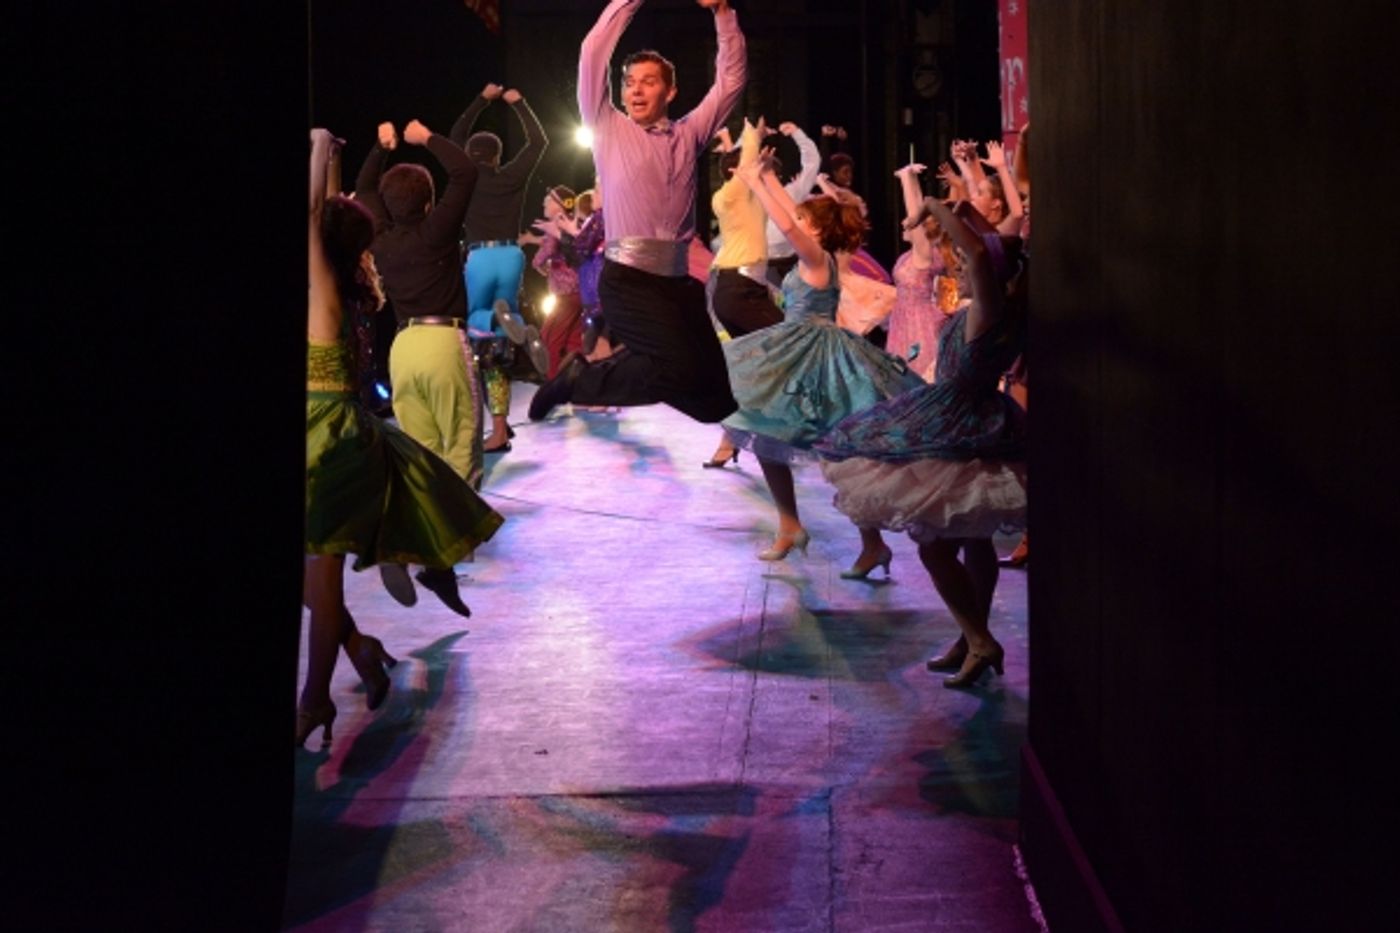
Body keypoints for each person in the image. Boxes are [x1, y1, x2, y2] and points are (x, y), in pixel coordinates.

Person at [303, 129, 504, 748]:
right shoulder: (343, 280)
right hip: (411, 365)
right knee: (456, 453)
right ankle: (372, 636)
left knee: (325, 579)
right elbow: (334, 215)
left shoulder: (343, 277)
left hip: (354, 410)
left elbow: (328, 213)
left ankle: (317, 696)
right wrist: (332, 154)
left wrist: (333, 152)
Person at [814, 198, 1028, 689]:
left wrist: (932, 204)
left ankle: (978, 638)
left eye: (966, 262)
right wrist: (970, 210)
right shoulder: (1008, 307)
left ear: (988, 273)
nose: (958, 265)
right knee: (974, 538)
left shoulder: (990, 309)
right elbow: (991, 246)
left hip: (959, 418)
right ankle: (970, 636)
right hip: (979, 419)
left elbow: (979, 253)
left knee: (935, 550)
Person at [527, 0, 746, 424]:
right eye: (630, 83)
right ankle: (579, 380)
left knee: (716, 402)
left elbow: (732, 81)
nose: (636, 90)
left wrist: (722, 13)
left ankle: (635, 369)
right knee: (678, 369)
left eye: (648, 82)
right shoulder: (608, 128)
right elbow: (592, 53)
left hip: (678, 285)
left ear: (671, 91)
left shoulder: (690, 134)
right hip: (628, 282)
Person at [722, 152, 922, 561]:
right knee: (767, 434)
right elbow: (792, 215)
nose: (797, 223)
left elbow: (787, 223)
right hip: (801, 349)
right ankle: (793, 526)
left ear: (814, 230)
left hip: (815, 357)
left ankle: (869, 542)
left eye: (804, 222)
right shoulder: (815, 256)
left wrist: (755, 182)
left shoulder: (817, 258)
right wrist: (766, 175)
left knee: (838, 452)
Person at [354, 118, 483, 614]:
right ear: (429, 202)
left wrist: (379, 146)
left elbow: (366, 186)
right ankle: (436, 556)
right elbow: (466, 172)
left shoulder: (381, 238)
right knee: (463, 451)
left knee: (423, 457)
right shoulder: (435, 230)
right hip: (443, 342)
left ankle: (424, 557)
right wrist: (425, 137)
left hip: (403, 350)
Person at [450, 82, 551, 452]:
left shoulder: (464, 178)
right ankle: (518, 327)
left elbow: (455, 134)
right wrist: (519, 103)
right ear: (496, 157)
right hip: (510, 256)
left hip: (479, 257)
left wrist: (481, 99)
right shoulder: (509, 177)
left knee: (475, 325)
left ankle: (503, 324)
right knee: (498, 351)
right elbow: (539, 143)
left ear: (470, 155)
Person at [703, 117, 783, 468]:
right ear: (736, 170)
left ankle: (730, 439)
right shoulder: (732, 194)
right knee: (793, 343)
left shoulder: (742, 199)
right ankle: (778, 432)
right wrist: (754, 132)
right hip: (738, 290)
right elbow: (747, 158)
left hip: (740, 289)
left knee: (750, 370)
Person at [520, 185, 586, 379]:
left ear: (558, 205)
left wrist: (537, 263)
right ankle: (578, 380)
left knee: (550, 336)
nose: (543, 203)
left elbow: (547, 249)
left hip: (565, 292)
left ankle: (553, 382)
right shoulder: (571, 221)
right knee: (574, 338)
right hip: (580, 291)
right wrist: (533, 239)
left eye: (548, 200)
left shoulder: (556, 223)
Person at [763, 120, 823, 290]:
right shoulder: (753, 193)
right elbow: (734, 166)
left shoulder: (793, 191)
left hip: (791, 259)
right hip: (761, 261)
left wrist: (798, 134)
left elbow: (812, 163)